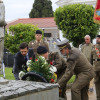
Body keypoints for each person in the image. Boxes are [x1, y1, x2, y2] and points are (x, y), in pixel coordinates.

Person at [91, 35, 100, 100]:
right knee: (96, 82)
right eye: (97, 38)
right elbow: (91, 58)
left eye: (99, 38)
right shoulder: (94, 47)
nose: (97, 39)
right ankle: (98, 97)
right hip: (95, 67)